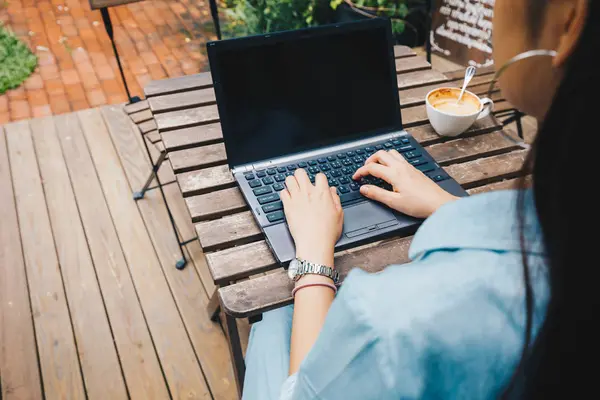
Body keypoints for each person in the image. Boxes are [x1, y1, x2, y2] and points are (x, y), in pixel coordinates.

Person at [243, 0, 597, 398]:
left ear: (571, 19)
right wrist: (447, 206)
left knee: (272, 320)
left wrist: (312, 257)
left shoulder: (389, 324)